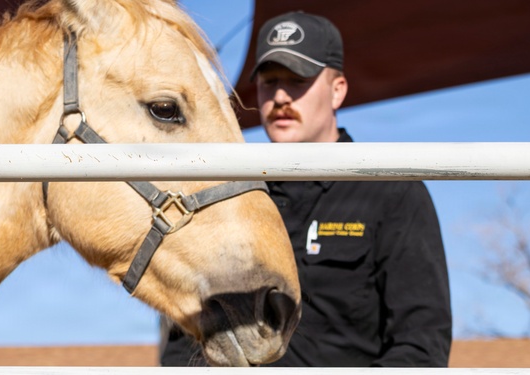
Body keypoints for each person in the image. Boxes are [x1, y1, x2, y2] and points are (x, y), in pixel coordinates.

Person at [160, 11, 452, 367]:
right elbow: (182, 341)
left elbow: (420, 346)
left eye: (298, 79)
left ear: (338, 90)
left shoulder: (392, 193)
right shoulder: (227, 195)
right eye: (268, 81)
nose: (280, 96)